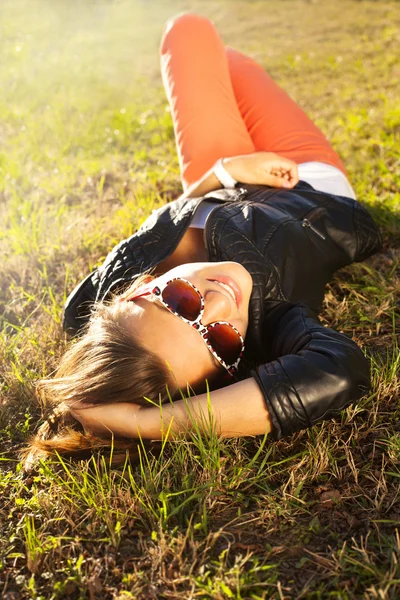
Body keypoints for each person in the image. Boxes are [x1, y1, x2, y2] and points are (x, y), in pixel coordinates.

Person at [23, 14, 381, 467]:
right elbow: (341, 370)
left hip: (223, 174)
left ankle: (222, 107)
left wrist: (225, 173)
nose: (220, 305)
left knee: (189, 34)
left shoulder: (97, 301)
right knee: (231, 64)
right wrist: (146, 424)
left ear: (135, 292)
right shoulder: (272, 322)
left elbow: (77, 315)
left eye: (180, 300)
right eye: (219, 342)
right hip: (307, 184)